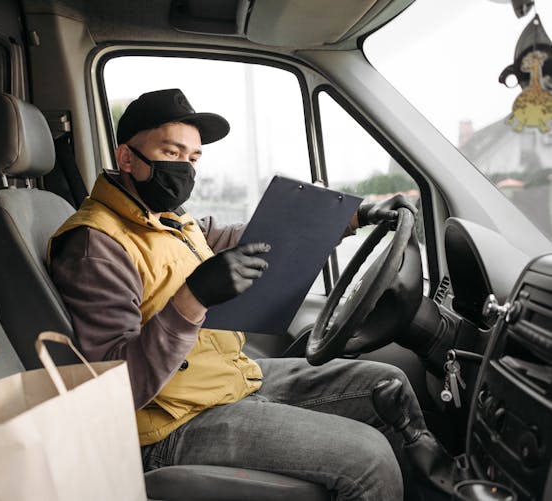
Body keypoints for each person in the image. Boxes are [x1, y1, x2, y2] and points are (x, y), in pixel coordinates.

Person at [47, 88, 434, 500]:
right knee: (369, 459)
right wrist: (192, 297)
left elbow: (251, 240)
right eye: (172, 153)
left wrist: (351, 216)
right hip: (167, 423)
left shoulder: (167, 219)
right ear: (127, 158)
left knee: (386, 386)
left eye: (193, 159)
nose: (185, 169)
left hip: (221, 380)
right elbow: (114, 389)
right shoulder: (97, 244)